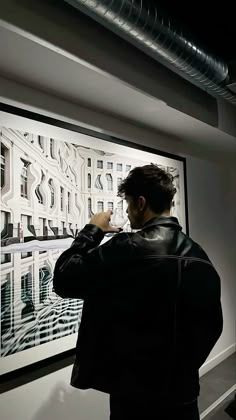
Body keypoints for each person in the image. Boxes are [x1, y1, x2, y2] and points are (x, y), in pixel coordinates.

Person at [53, 164, 223, 420]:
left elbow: (64, 279)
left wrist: (92, 230)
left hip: (134, 398)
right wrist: (183, 369)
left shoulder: (127, 248)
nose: (128, 212)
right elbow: (212, 327)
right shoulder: (200, 256)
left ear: (141, 203)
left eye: (128, 204)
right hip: (183, 396)